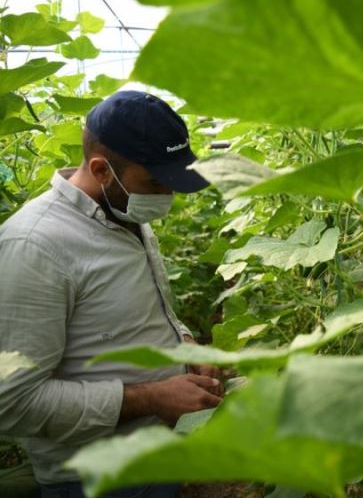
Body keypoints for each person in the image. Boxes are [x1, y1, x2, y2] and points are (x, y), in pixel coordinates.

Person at [0, 90, 223, 498]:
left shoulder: (123, 211)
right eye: (156, 183)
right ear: (102, 170)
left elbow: (135, 312)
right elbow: (13, 402)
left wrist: (185, 348)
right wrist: (153, 397)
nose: (166, 197)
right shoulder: (35, 245)